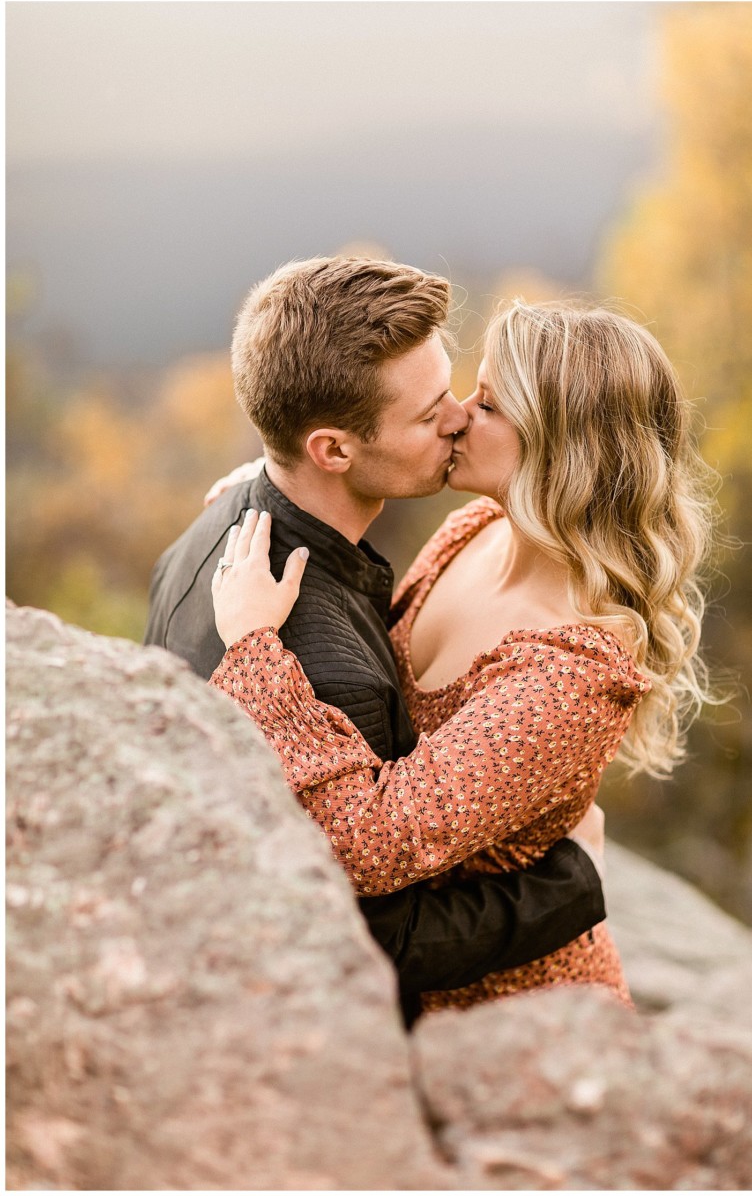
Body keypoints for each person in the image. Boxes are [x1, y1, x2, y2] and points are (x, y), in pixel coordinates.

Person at [209, 297, 717, 1013]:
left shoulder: (568, 672)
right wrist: (287, 490)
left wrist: (254, 648)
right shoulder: (475, 527)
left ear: (558, 451)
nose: (457, 415)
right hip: (409, 982)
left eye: (489, 405)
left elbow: (372, 842)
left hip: (512, 1016)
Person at [144, 257, 607, 1023]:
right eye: (431, 416)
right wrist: (571, 885)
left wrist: (271, 476)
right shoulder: (323, 669)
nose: (459, 417)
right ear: (331, 449)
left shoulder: (214, 529)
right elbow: (375, 934)